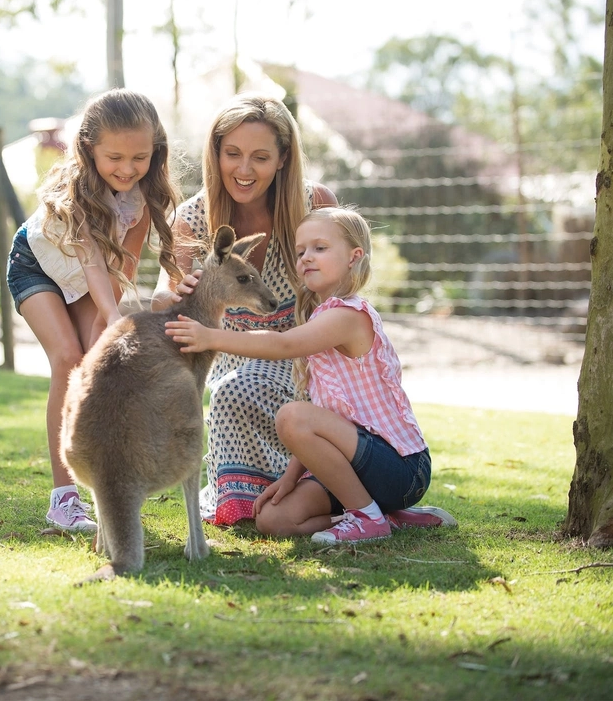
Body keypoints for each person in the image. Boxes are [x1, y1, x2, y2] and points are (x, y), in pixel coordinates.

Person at [165, 206, 456, 544]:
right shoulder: (320, 316)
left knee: (292, 416)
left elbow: (285, 344)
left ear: (353, 256)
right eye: (300, 251)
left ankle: (366, 517)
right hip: (357, 468)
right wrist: (290, 480)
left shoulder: (348, 314)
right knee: (273, 520)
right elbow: (329, 417)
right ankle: (384, 516)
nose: (306, 257)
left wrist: (211, 336)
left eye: (320, 248)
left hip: (400, 470)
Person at [151, 92, 337, 526]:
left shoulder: (315, 204)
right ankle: (250, 500)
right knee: (233, 386)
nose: (244, 169)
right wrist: (180, 290)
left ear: (283, 159)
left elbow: (346, 290)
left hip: (303, 357)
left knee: (237, 388)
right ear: (215, 154)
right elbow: (162, 294)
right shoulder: (194, 217)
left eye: (260, 157)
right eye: (231, 154)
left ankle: (315, 490)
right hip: (231, 357)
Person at [6, 88, 183, 532]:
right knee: (68, 359)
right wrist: (111, 313)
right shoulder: (81, 190)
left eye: (139, 158)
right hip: (37, 267)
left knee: (96, 368)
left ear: (154, 151)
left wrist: (112, 319)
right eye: (115, 157)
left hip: (94, 279)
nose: (127, 169)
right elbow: (89, 260)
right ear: (89, 149)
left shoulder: (143, 197)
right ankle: (63, 498)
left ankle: (109, 488)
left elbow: (121, 266)